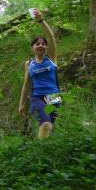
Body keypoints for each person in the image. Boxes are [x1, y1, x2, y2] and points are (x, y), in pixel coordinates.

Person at [19, 11, 61, 139]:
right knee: (46, 124)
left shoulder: (51, 58)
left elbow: (51, 37)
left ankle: (42, 147)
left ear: (47, 48)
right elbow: (26, 84)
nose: (41, 45)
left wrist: (41, 21)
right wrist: (21, 103)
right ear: (32, 48)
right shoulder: (29, 64)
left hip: (53, 98)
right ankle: (40, 148)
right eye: (37, 44)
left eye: (43, 44)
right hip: (37, 98)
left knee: (48, 126)